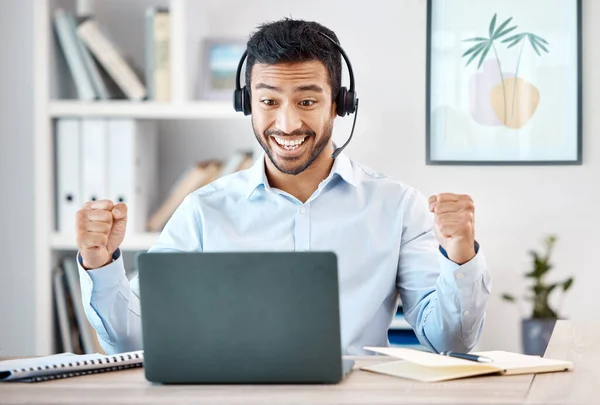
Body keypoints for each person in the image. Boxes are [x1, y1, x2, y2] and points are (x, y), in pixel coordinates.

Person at [75, 18, 491, 356]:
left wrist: (459, 254)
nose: (287, 124)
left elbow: (450, 342)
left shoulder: (397, 205)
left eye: (307, 101)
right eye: (269, 101)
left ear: (339, 104)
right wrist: (100, 264)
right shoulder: (204, 210)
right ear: (247, 104)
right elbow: (132, 342)